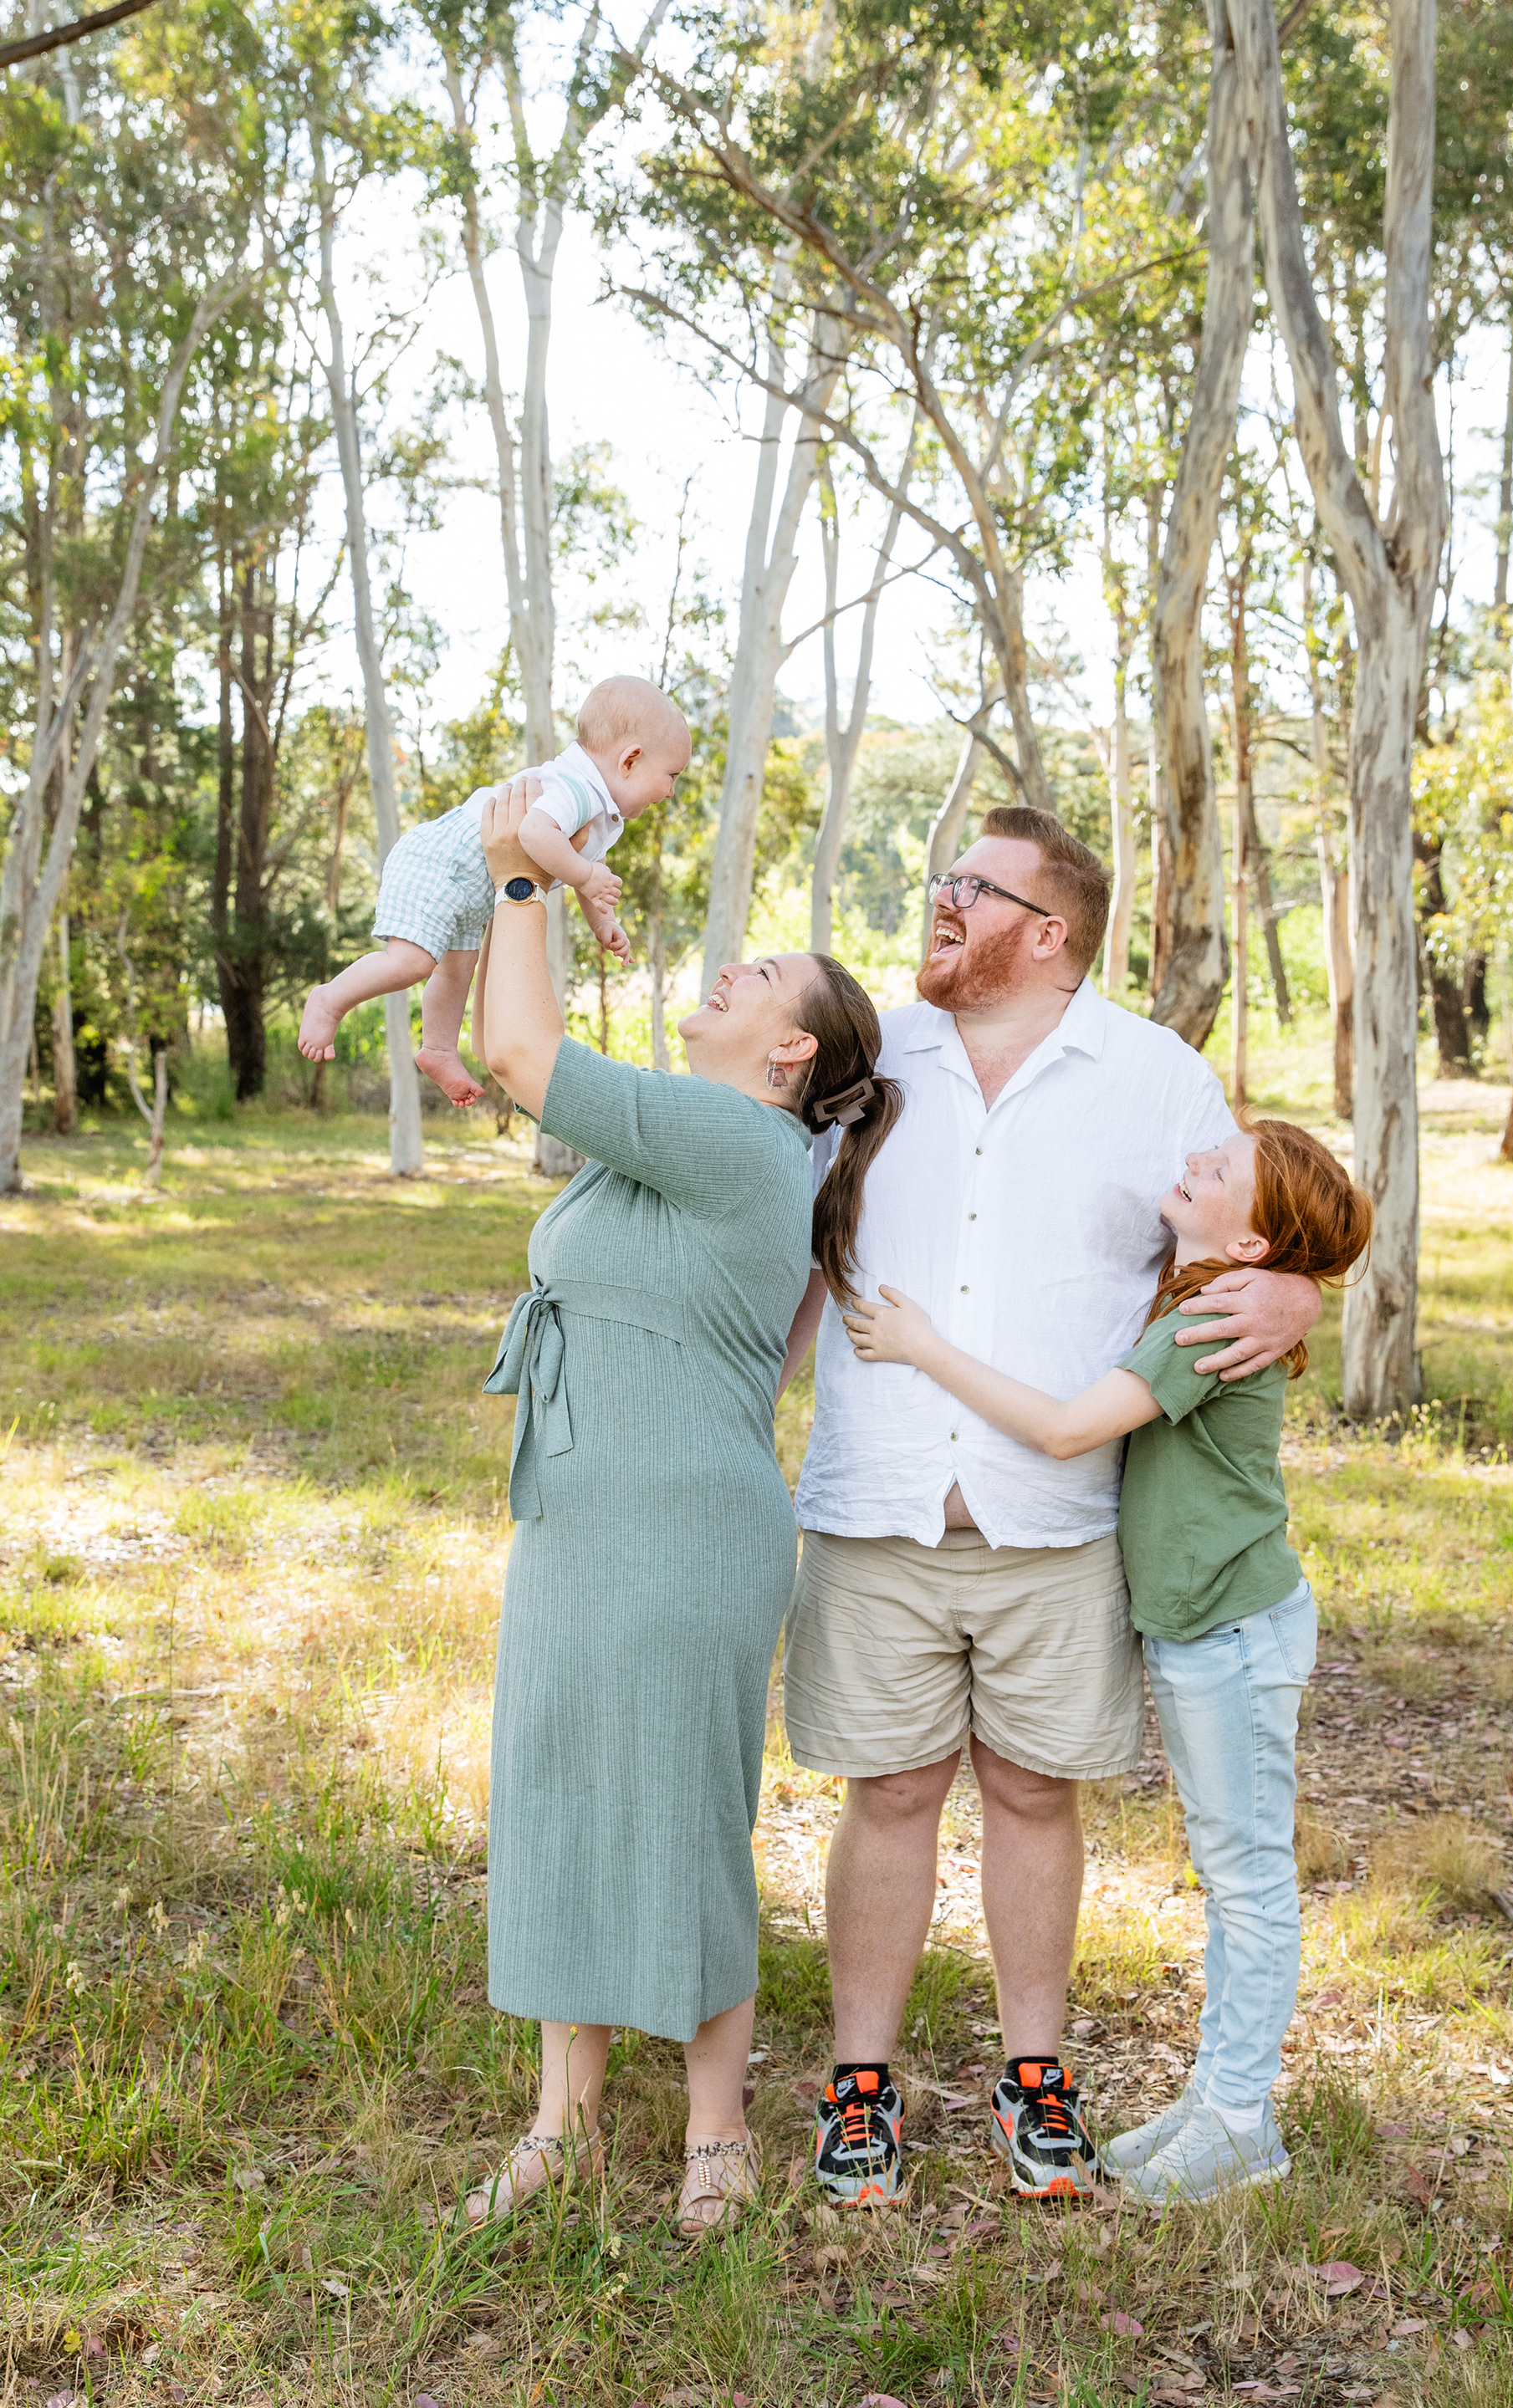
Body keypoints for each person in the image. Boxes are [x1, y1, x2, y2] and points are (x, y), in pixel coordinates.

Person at [779, 803, 1322, 2206]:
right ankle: (861, 2095)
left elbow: (1257, 1223)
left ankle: (1037, 2087)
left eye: (972, 883)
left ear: (1049, 928)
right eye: (940, 873)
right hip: (876, 1493)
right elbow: (743, 1183)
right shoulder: (867, 1057)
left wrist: (1299, 1290)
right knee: (888, 1791)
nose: (939, 897)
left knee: (1032, 1791)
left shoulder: (1155, 1079)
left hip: (1058, 1512)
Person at [464, 781, 900, 2238]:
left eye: (762, 975)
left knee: (681, 1815)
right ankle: (563, 2127)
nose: (732, 969)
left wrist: (519, 878)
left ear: (791, 1052)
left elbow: (519, 1048)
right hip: (584, 1516)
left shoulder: (734, 1141)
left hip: (682, 1533)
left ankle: (719, 2134)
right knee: (563, 1793)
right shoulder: (690, 1143)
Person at [843, 1116, 1372, 2204]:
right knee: (1233, 1875)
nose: (1191, 1165)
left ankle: (1240, 2121)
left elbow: (1068, 1432)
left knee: (1247, 1882)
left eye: (1218, 1171)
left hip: (1231, 1632)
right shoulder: (1204, 1297)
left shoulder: (1206, 1318)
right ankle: (1217, 2104)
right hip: (1209, 1631)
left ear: (1258, 1246)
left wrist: (925, 1349)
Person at [297, 676, 690, 1105]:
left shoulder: (595, 804)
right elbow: (536, 833)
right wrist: (584, 875)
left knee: (455, 972)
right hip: (443, 864)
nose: (670, 791)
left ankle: (439, 1049)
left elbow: (574, 860)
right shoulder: (575, 788)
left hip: (474, 890)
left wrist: (603, 921)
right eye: (671, 775)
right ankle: (329, 1000)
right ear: (630, 760)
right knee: (411, 962)